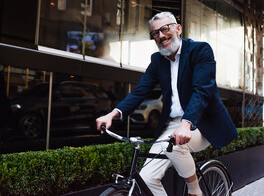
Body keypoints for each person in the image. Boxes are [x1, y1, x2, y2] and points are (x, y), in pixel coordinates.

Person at [96, 11, 238, 196]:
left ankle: (195, 192)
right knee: (147, 178)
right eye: (155, 33)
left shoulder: (201, 50)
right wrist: (112, 114)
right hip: (172, 124)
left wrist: (186, 124)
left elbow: (202, 91)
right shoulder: (157, 60)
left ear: (178, 29)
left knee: (175, 145)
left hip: (202, 122)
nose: (161, 36)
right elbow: (141, 91)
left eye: (165, 29)